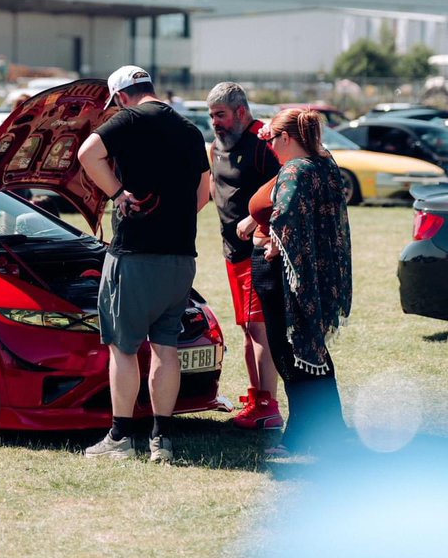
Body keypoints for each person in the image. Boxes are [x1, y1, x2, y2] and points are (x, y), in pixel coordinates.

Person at [79, 65, 210, 463]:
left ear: (121, 96)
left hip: (135, 255)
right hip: (180, 257)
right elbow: (203, 194)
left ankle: (120, 437)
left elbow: (87, 154)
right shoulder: (190, 130)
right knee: (165, 347)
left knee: (124, 347)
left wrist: (119, 192)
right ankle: (162, 441)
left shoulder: (129, 119)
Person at [244, 109, 352, 456]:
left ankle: (300, 435)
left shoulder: (294, 170)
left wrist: (273, 241)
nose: (271, 146)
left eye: (272, 139)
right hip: (314, 274)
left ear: (287, 138)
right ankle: (331, 427)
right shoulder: (324, 164)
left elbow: (287, 212)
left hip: (283, 275)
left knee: (289, 354)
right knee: (312, 351)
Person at [207, 82, 281, 428]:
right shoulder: (216, 147)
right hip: (230, 252)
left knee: (258, 327)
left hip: (258, 251)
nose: (215, 122)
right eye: (211, 116)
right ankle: (256, 398)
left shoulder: (265, 142)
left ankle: (268, 405)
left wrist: (260, 222)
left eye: (220, 115)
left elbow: (288, 186)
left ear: (240, 111)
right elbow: (214, 191)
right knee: (247, 329)